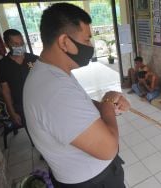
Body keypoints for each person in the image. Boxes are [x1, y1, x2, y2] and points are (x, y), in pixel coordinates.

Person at [23, 3, 130, 187]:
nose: (90, 46)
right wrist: (107, 106)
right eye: (87, 39)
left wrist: (107, 103)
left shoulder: (52, 73)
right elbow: (109, 149)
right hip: (92, 182)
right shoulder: (54, 90)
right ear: (65, 41)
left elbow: (82, 104)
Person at [0, 29, 38, 145]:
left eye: (22, 43)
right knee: (34, 134)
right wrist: (12, 112)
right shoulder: (1, 66)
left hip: (41, 102)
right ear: (6, 45)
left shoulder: (34, 59)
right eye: (15, 44)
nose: (20, 46)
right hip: (22, 106)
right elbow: (5, 90)